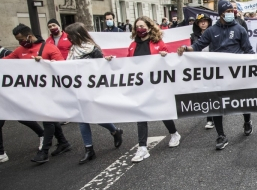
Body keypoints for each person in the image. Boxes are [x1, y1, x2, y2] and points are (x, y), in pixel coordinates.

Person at [177, 0, 255, 150]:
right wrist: (185, 48)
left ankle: (247, 121)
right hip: (218, 74)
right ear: (220, 14)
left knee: (243, 100)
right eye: (227, 12)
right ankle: (221, 135)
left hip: (236, 72)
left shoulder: (240, 29)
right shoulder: (212, 31)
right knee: (217, 103)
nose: (231, 14)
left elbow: (248, 49)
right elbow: (198, 46)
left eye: (232, 12)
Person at [106, 16, 181, 162]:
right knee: (141, 114)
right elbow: (128, 63)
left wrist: (165, 56)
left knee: (161, 112)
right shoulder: (133, 45)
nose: (140, 29)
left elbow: (169, 61)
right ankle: (142, 148)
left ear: (149, 27)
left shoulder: (157, 43)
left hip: (156, 84)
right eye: (137, 26)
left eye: (142, 26)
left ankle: (174, 133)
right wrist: (112, 60)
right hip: (141, 85)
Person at [2, 24, 72, 163]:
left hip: (49, 92)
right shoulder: (19, 50)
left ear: (29, 35)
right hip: (32, 92)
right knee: (48, 119)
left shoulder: (49, 48)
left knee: (48, 120)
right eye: (17, 40)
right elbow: (5, 63)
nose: (20, 42)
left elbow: (62, 68)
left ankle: (44, 152)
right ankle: (63, 143)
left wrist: (45, 63)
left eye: (21, 39)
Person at [63, 23, 124, 164]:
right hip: (77, 88)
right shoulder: (72, 49)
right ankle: (89, 150)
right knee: (82, 119)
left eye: (70, 35)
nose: (68, 38)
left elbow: (100, 69)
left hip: (91, 89)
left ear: (77, 35)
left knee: (94, 117)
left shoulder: (92, 49)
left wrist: (105, 61)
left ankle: (115, 131)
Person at [0, 44, 46, 163]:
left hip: (11, 93)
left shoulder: (5, 53)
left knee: (21, 117)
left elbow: (19, 69)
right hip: (2, 95)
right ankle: (1, 152)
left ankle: (42, 133)